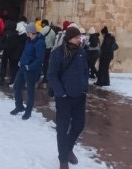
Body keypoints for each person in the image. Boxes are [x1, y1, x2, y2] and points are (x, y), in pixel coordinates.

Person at [47, 26, 89, 169]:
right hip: (64, 98)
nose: (80, 39)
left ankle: (68, 148)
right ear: (70, 38)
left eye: (80, 37)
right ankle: (63, 158)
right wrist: (61, 93)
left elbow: (85, 71)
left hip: (79, 96)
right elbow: (52, 75)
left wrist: (85, 88)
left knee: (79, 125)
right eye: (77, 37)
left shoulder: (82, 52)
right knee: (62, 129)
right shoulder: (57, 53)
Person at [10, 24, 45, 120]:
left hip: (31, 70)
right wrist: (21, 61)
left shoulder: (39, 43)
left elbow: (39, 59)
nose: (25, 33)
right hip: (22, 67)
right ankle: (19, 106)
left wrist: (30, 66)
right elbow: (25, 52)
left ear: (30, 32)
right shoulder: (28, 41)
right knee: (16, 86)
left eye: (27, 32)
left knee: (30, 91)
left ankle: (28, 111)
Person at [40, 19, 56, 83]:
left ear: (43, 24)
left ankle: (41, 76)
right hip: (49, 50)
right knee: (47, 64)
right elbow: (54, 41)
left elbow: (39, 38)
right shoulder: (53, 31)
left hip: (43, 49)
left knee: (41, 63)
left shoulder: (43, 30)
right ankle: (46, 77)